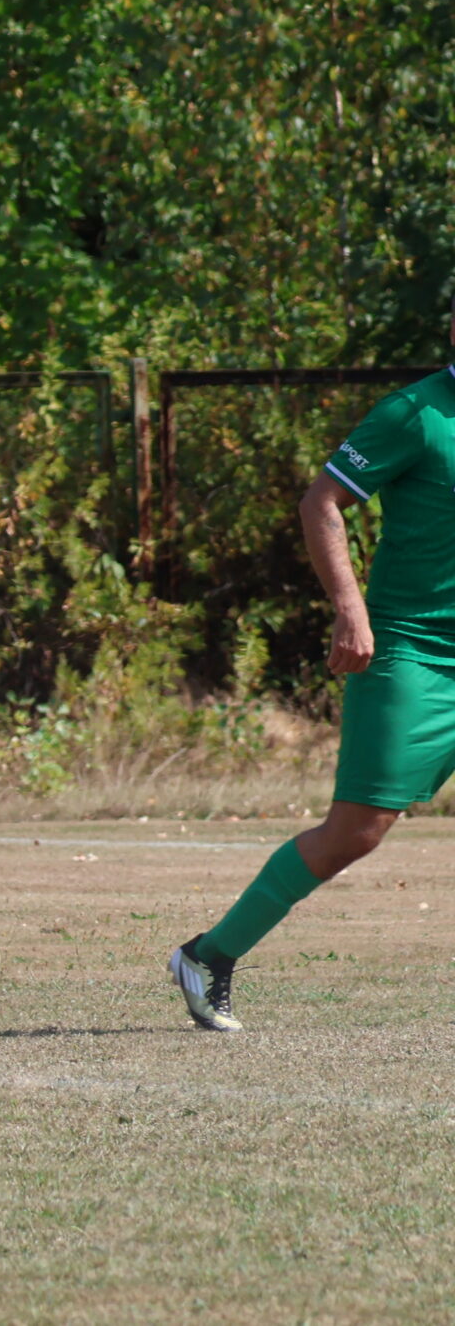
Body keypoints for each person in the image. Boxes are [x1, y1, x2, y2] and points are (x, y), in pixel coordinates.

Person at [171, 318, 455, 1030]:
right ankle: (209, 954)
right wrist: (351, 609)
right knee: (356, 831)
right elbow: (321, 501)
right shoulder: (414, 414)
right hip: (413, 651)